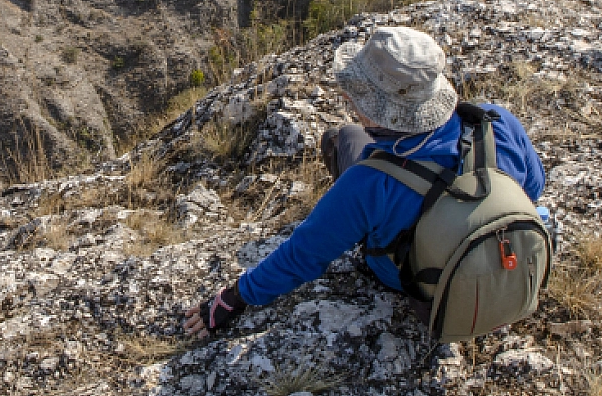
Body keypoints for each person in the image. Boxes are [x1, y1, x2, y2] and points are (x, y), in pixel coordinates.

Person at [184, 25, 547, 339]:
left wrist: (234, 297)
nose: (348, 98)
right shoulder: (495, 122)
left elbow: (302, 258)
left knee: (341, 139)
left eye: (356, 94)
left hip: (423, 287)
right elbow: (532, 189)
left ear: (376, 108)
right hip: (504, 272)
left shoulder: (369, 184)